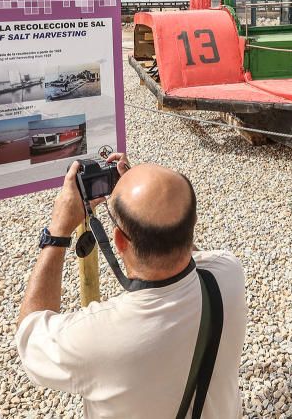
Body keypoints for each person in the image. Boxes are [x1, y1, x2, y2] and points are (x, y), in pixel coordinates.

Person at [15, 156, 247, 417]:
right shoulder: (228, 275)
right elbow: (185, 247)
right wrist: (152, 196)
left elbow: (29, 332)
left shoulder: (97, 335)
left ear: (119, 241)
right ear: (192, 224)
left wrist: (57, 232)